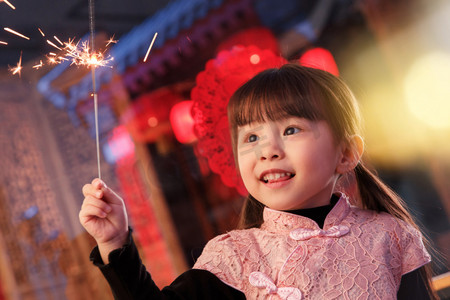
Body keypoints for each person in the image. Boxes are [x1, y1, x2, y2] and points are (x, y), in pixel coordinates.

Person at [79, 63, 436, 299]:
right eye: (251, 138)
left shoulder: (392, 237)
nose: (268, 150)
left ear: (345, 153)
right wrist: (114, 242)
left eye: (291, 129)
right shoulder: (232, 257)